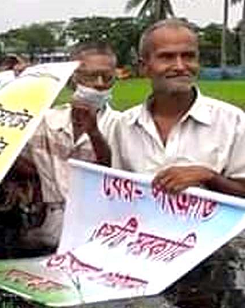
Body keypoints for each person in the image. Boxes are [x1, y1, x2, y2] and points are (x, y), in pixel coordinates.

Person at [103, 19, 245, 198]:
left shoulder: (233, 121)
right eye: (167, 57)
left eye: (188, 56)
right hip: (142, 225)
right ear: (144, 67)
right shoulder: (124, 125)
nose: (180, 66)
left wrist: (209, 177)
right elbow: (114, 191)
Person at [18, 41, 123, 250]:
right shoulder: (46, 121)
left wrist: (94, 133)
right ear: (73, 78)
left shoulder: (121, 124)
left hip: (98, 230)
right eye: (90, 76)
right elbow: (14, 159)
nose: (100, 84)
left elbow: (114, 176)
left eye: (108, 77)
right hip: (47, 229)